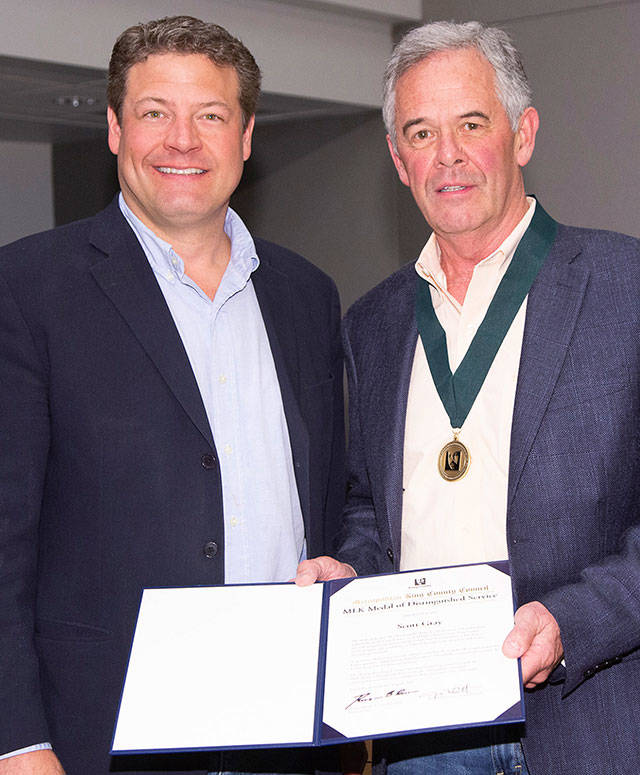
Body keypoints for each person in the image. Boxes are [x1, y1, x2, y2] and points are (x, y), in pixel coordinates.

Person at [0, 15, 344, 775]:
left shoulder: (306, 295)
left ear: (245, 137)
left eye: (210, 116)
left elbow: (333, 496)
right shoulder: (26, 290)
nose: (182, 141)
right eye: (155, 112)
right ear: (116, 129)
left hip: (288, 727)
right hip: (100, 737)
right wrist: (16, 740)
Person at [295, 19, 640, 775]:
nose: (447, 154)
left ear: (523, 135)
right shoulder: (374, 324)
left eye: (472, 124)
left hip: (591, 718)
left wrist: (572, 622)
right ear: (398, 160)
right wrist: (350, 574)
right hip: (424, 735)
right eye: (421, 132)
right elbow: (370, 506)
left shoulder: (626, 288)